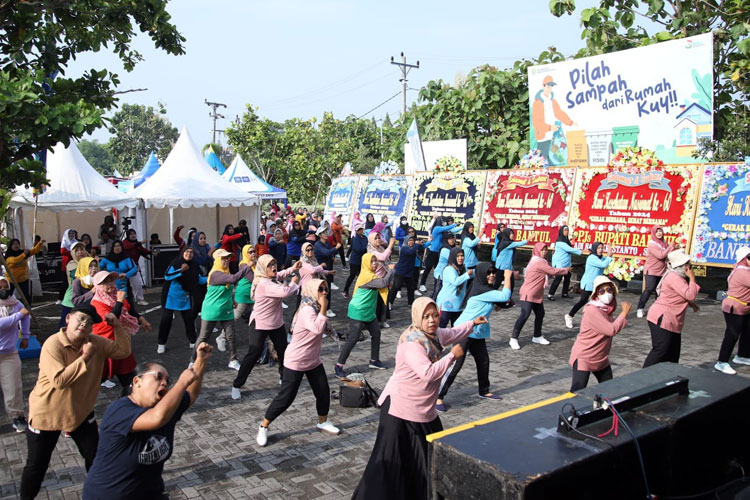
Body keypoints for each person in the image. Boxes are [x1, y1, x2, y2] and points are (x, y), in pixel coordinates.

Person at [352, 297, 487, 500]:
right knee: (389, 465)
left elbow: (452, 332)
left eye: (434, 315)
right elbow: (428, 373)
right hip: (399, 410)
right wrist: (451, 356)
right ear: (417, 317)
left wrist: (472, 323)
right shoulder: (411, 342)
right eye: (426, 316)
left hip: (423, 410)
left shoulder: (433, 335)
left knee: (430, 457)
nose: (432, 320)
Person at [20, 304, 131, 500]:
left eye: (89, 322)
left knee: (95, 458)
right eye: (81, 318)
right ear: (69, 318)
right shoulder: (53, 344)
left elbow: (122, 351)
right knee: (37, 465)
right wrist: (86, 357)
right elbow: (59, 381)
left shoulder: (96, 342)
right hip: (47, 413)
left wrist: (118, 327)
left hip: (80, 412)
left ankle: (99, 495)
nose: (84, 324)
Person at [82, 344, 212, 499]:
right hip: (109, 494)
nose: (164, 382)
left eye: (167, 380)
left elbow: (191, 393)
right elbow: (156, 418)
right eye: (158, 377)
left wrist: (201, 360)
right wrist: (181, 382)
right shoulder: (119, 410)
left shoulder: (165, 408)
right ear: (137, 381)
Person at [256, 279, 340, 446]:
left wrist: (322, 308)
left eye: (325, 289)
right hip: (296, 360)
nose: (324, 293)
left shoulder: (315, 309)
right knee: (286, 397)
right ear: (311, 292)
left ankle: (322, 421)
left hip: (313, 359)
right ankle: (263, 426)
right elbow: (317, 328)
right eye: (320, 290)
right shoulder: (307, 310)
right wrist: (324, 307)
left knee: (323, 392)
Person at [436, 265, 513, 412]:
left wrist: (494, 305)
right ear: (482, 275)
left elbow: (503, 302)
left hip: (476, 333)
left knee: (483, 361)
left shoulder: (484, 289)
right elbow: (504, 296)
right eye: (488, 273)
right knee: (455, 365)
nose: (492, 275)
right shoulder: (483, 290)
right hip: (464, 331)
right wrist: (508, 276)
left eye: (493, 273)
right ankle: (438, 395)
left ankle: (484, 391)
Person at [232, 255, 302, 399]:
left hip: (276, 323)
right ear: (263, 268)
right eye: (270, 265)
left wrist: (292, 269)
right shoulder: (264, 283)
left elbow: (279, 275)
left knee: (283, 351)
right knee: (254, 352)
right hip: (260, 323)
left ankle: (284, 379)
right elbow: (285, 292)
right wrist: (294, 281)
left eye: (274, 264)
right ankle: (237, 385)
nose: (273, 267)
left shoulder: (271, 278)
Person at [192, 249, 253, 370]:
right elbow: (233, 279)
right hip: (211, 310)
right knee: (204, 336)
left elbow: (228, 287)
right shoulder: (215, 273)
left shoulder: (226, 271)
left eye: (228, 258)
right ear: (218, 260)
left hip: (226, 309)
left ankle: (233, 359)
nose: (227, 260)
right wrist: (248, 267)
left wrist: (232, 299)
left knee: (231, 336)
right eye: (224, 258)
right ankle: (192, 361)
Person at [334, 253, 394, 378]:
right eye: (372, 261)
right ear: (366, 263)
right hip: (358, 310)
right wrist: (392, 271)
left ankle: (374, 360)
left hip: (368, 311)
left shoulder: (372, 275)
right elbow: (384, 283)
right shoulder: (367, 276)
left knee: (376, 333)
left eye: (375, 261)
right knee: (353, 338)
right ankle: (338, 365)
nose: (375, 263)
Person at [91, 271, 148, 395]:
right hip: (104, 345)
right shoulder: (96, 303)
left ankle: (131, 402)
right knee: (93, 382)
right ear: (97, 285)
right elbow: (112, 319)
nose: (109, 284)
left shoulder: (116, 295)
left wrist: (141, 318)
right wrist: (120, 301)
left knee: (130, 380)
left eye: (111, 280)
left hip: (120, 343)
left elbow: (129, 309)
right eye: (105, 282)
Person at [569, 276, 630, 391]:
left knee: (609, 389)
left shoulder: (606, 308)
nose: (606, 293)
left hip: (600, 356)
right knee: (577, 392)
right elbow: (611, 330)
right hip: (585, 356)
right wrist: (624, 313)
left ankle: (607, 408)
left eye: (609, 290)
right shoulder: (592, 310)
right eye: (602, 291)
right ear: (596, 294)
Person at [643, 250, 700, 367]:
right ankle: (643, 376)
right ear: (680, 266)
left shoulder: (676, 276)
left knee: (673, 352)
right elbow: (690, 294)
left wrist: (690, 303)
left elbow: (682, 295)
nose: (689, 267)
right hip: (662, 317)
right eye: (687, 264)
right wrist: (693, 279)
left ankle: (668, 376)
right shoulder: (674, 277)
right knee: (661, 349)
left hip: (671, 319)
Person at [510, 243, 571, 349]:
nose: (545, 252)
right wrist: (566, 270)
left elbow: (549, 273)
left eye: (546, 250)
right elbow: (552, 271)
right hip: (529, 293)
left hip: (537, 294)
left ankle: (537, 336)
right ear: (538, 251)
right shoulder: (538, 262)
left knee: (540, 314)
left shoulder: (540, 261)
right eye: (543, 250)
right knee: (524, 315)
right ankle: (514, 338)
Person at [157, 247, 207, 354]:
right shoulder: (175, 263)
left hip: (184, 297)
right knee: (166, 320)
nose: (189, 254)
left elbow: (199, 280)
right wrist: (181, 270)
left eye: (191, 252)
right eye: (187, 252)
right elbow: (167, 276)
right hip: (171, 296)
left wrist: (212, 277)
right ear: (182, 253)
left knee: (189, 320)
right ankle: (161, 343)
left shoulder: (194, 265)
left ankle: (193, 341)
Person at [0, 276, 31, 432]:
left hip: (9, 354)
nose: (3, 290)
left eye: (5, 287)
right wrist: (18, 316)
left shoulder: (14, 303)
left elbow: (26, 316)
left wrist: (25, 335)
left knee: (13, 388)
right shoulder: (16, 310)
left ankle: (17, 417)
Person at [716, 246, 750, 374]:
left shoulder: (746, 269)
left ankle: (742, 356)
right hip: (734, 307)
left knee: (747, 332)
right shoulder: (742, 271)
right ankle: (722, 362)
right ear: (743, 258)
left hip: (746, 307)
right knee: (732, 334)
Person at [565, 242, 614, 329]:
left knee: (601, 302)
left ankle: (601, 320)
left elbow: (606, 261)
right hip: (588, 283)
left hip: (597, 284)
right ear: (594, 249)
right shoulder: (592, 258)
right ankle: (569, 316)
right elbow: (603, 264)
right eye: (598, 248)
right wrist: (609, 256)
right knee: (583, 301)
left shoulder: (601, 258)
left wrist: (610, 252)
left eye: (602, 248)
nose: (600, 250)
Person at [637, 226, 677, 318]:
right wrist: (670, 247)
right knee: (649, 289)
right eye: (657, 232)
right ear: (653, 234)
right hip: (651, 271)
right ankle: (640, 308)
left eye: (660, 231)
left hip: (662, 271)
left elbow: (668, 254)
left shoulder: (664, 242)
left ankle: (658, 310)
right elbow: (661, 255)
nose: (659, 233)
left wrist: (673, 247)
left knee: (660, 291)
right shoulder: (652, 244)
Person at [436, 247, 474, 327]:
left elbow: (473, 276)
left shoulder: (463, 268)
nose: (460, 258)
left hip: (458, 304)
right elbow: (456, 281)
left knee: (457, 329)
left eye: (462, 256)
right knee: (441, 327)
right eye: (458, 256)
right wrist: (467, 274)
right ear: (453, 257)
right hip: (446, 304)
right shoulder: (449, 269)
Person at [419, 216, 458, 291]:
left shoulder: (444, 231)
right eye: (443, 221)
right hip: (432, 252)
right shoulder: (437, 228)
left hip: (440, 252)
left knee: (437, 269)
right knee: (428, 269)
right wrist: (454, 224)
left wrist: (463, 228)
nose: (444, 223)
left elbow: (453, 231)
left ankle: (437, 284)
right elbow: (447, 228)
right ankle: (422, 284)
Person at [4, 237, 44, 304]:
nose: (16, 245)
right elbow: (15, 260)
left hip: (22, 279)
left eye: (17, 244)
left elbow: (34, 251)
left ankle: (27, 310)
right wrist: (24, 254)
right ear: (11, 246)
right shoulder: (8, 255)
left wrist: (40, 243)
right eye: (14, 244)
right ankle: (5, 308)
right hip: (11, 280)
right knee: (7, 295)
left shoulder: (22, 252)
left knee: (26, 296)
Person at [59, 241, 89, 328]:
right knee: (65, 326)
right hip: (71, 300)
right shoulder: (71, 265)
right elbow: (79, 277)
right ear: (73, 253)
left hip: (87, 298)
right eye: (77, 250)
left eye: (82, 249)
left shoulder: (91, 262)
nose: (80, 252)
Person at [300, 242, 335, 315]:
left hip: (315, 287)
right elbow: (312, 270)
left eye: (312, 249)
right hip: (307, 289)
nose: (310, 252)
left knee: (315, 307)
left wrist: (329, 272)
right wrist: (321, 266)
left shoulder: (313, 259)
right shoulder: (303, 262)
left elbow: (319, 270)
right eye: (308, 250)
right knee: (308, 309)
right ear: (304, 251)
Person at [388, 234, 423, 306]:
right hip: (401, 271)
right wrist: (417, 244)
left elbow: (421, 250)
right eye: (410, 240)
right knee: (396, 287)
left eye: (413, 240)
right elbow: (411, 252)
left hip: (409, 272)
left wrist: (421, 244)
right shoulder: (404, 248)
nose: (412, 242)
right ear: (406, 241)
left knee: (411, 288)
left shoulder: (413, 248)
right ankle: (389, 302)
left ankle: (411, 303)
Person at [548, 225, 581, 300]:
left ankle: (565, 293)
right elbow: (569, 249)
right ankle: (550, 294)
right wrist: (580, 251)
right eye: (565, 230)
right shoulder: (560, 241)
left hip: (566, 263)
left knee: (567, 277)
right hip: (560, 263)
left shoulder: (566, 240)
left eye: (567, 230)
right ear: (561, 232)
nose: (567, 232)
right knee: (558, 278)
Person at [122, 229, 151, 306]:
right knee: (123, 285)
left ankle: (139, 299)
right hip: (124, 268)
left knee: (137, 284)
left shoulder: (137, 244)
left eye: (134, 233)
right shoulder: (125, 242)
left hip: (133, 267)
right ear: (128, 235)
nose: (133, 235)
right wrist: (141, 242)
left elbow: (143, 250)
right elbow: (128, 246)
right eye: (131, 234)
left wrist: (151, 253)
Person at [494, 228, 527, 292]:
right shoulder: (507, 243)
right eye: (510, 234)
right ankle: (490, 297)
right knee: (498, 283)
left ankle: (507, 299)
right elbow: (519, 244)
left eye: (512, 234)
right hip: (502, 267)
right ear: (506, 235)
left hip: (506, 266)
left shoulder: (506, 242)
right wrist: (529, 239)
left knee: (510, 283)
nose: (512, 235)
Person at [343, 222, 367, 299]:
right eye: (358, 230)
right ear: (356, 231)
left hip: (362, 260)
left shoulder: (365, 238)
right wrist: (365, 248)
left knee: (361, 276)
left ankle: (360, 292)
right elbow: (358, 249)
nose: (360, 231)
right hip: (355, 261)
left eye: (361, 229)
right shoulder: (355, 238)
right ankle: (345, 290)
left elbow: (366, 246)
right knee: (352, 276)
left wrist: (364, 248)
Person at [314, 226, 341, 293]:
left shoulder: (327, 243)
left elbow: (329, 252)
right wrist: (336, 248)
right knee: (321, 290)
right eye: (323, 233)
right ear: (320, 235)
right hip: (320, 269)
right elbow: (326, 252)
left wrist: (332, 257)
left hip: (327, 267)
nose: (326, 234)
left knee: (327, 289)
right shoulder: (318, 244)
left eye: (326, 232)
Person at [432, 232, 458, 299]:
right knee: (437, 293)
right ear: (446, 240)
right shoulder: (444, 249)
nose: (452, 240)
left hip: (447, 275)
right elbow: (453, 260)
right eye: (449, 239)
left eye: (452, 238)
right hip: (440, 275)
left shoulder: (452, 248)